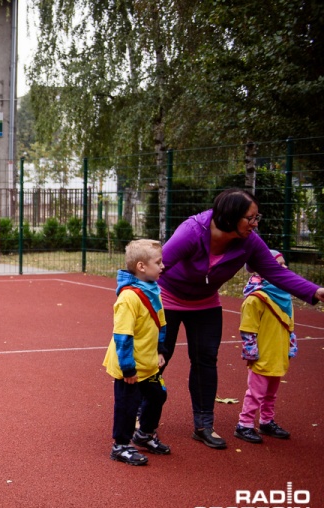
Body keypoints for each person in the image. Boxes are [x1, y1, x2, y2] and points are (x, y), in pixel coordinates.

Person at [158, 188, 324, 450]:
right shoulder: (192, 231)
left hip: (205, 302)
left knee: (205, 361)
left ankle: (203, 426)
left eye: (257, 217)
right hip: (168, 296)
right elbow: (159, 263)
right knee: (158, 357)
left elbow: (275, 272)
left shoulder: (250, 242)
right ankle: (142, 423)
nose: (255, 224)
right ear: (229, 216)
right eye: (251, 218)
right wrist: (133, 298)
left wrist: (316, 292)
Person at [103, 239, 170, 466]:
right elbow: (123, 336)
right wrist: (128, 368)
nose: (163, 266)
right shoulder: (129, 297)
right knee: (127, 405)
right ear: (141, 266)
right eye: (158, 262)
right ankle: (120, 445)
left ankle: (144, 434)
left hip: (148, 361)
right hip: (129, 365)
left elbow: (161, 322)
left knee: (157, 395)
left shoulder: (153, 289)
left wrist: (161, 350)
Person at [234, 250, 297, 444]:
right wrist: (252, 352)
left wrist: (291, 344)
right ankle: (244, 424)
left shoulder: (283, 296)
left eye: (284, 263)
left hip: (278, 352)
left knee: (271, 392)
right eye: (279, 265)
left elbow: (289, 324)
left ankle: (266, 421)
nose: (285, 268)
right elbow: (248, 329)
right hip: (263, 354)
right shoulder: (256, 299)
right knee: (255, 392)